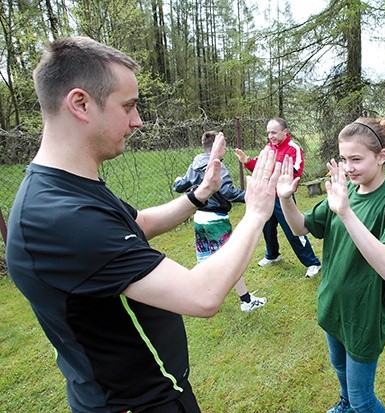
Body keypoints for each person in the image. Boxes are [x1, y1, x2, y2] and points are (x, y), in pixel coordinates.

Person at [6, 36, 281, 413]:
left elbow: (140, 223)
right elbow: (201, 295)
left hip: (144, 393)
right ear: (80, 103)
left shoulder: (66, 187)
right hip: (136, 403)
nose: (138, 120)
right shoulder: (60, 218)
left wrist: (200, 193)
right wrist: (256, 213)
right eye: (129, 106)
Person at [277, 118, 385, 412]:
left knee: (364, 401)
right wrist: (286, 199)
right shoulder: (345, 191)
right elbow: (301, 227)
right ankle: (344, 403)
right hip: (333, 304)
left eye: (356, 159)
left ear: (381, 157)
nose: (348, 167)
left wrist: (347, 213)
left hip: (364, 314)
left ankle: (352, 404)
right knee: (340, 370)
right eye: (343, 159)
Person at [174, 130, 267, 312]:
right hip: (216, 219)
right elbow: (228, 192)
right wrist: (250, 195)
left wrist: (180, 180)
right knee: (232, 260)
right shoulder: (218, 166)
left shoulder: (195, 164)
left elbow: (181, 185)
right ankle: (246, 301)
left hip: (199, 217)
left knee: (205, 256)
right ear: (219, 147)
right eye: (224, 144)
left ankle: (201, 293)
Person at [235, 117, 322, 278]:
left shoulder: (293, 148)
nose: (270, 136)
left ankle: (312, 263)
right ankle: (272, 255)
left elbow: (295, 172)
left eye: (273, 132)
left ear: (285, 132)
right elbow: (259, 166)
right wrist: (247, 162)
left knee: (293, 231)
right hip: (267, 197)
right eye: (268, 133)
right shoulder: (268, 148)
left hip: (283, 199)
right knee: (267, 229)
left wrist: (274, 170)